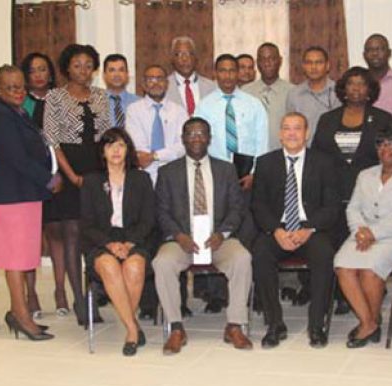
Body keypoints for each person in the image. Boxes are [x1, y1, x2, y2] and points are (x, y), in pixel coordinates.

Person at [153, 117, 254, 355]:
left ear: (209, 139)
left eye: (201, 134)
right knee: (162, 262)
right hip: (182, 240)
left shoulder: (226, 169)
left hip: (219, 238)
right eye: (191, 134)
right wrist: (178, 236)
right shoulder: (168, 172)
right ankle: (176, 327)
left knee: (242, 258)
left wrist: (222, 233)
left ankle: (234, 325)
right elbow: (161, 211)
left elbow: (236, 208)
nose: (196, 138)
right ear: (182, 139)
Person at [252, 112, 342, 349]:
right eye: (287, 128)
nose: (292, 133)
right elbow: (258, 205)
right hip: (277, 229)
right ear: (280, 134)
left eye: (297, 128)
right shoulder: (265, 162)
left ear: (307, 133)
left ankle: (316, 325)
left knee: (324, 255)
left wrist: (308, 228)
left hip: (311, 228)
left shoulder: (324, 162)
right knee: (260, 254)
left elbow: (332, 206)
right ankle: (274, 324)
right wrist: (276, 231)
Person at [0, 65, 60, 341]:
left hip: (24, 195)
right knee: (15, 261)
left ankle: (20, 312)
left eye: (20, 86)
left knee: (25, 258)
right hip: (9, 197)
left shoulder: (19, 112)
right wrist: (48, 179)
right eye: (10, 87)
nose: (18, 92)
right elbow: (17, 158)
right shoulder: (1, 117)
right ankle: (21, 316)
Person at [334, 128, 392, 348]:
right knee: (342, 266)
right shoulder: (366, 174)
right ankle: (369, 322)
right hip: (362, 234)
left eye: (391, 144)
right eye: (381, 144)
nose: (386, 149)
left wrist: (374, 233)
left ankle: (368, 324)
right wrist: (360, 231)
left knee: (370, 269)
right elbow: (353, 208)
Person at [43, 43, 112, 325]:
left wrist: (106, 174)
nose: (83, 70)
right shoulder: (55, 97)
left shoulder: (101, 96)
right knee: (72, 233)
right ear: (67, 67)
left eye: (88, 65)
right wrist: (71, 176)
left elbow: (108, 136)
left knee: (94, 234)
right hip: (69, 168)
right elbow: (52, 140)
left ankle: (94, 292)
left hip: (97, 169)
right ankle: (79, 300)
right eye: (77, 65)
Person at [194, 53, 267, 312]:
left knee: (248, 233)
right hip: (215, 178)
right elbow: (198, 141)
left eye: (231, 70)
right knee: (217, 233)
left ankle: (252, 293)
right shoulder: (205, 105)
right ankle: (216, 295)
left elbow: (262, 141)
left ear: (239, 74)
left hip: (247, 177)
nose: (227, 75)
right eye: (221, 71)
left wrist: (255, 173)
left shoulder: (253, 104)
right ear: (215, 73)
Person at [80, 128, 156, 356]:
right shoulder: (91, 181)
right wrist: (110, 245)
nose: (116, 150)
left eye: (121, 145)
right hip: (100, 241)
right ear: (102, 151)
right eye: (110, 145)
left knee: (134, 265)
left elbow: (148, 219)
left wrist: (130, 242)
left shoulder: (141, 178)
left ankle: (129, 327)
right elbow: (87, 223)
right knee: (110, 265)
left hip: (134, 238)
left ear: (128, 150)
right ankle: (133, 328)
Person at [19, 52, 68, 319]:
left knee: (57, 233)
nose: (39, 75)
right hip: (29, 179)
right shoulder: (20, 102)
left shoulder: (60, 98)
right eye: (33, 71)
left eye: (43, 69)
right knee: (31, 239)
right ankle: (31, 294)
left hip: (57, 177)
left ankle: (61, 291)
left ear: (50, 73)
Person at [312, 66, 392, 204]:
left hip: (371, 194)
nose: (356, 88)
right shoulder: (327, 119)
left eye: (362, 83)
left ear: (370, 89)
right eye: (351, 83)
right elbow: (317, 156)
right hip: (332, 195)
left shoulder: (383, 119)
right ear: (344, 88)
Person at [125, 64, 188, 185]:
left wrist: (155, 156)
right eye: (150, 79)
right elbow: (137, 147)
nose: (156, 83)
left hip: (174, 175)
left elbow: (182, 146)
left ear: (167, 83)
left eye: (160, 79)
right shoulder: (133, 110)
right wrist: (165, 154)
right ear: (143, 84)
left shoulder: (179, 111)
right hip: (143, 174)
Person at [243, 43, 295, 152]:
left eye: (272, 59)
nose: (267, 63)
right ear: (257, 63)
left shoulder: (293, 92)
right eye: (263, 59)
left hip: (282, 156)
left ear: (280, 61)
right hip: (252, 156)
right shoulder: (245, 92)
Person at [286, 46, 342, 142]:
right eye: (309, 63)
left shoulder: (339, 92)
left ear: (327, 65)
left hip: (332, 152)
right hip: (304, 151)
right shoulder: (294, 94)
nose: (313, 67)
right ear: (303, 66)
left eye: (319, 62)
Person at [166, 36, 216, 116]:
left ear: (196, 58)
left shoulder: (212, 87)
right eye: (179, 54)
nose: (184, 58)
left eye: (189, 53)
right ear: (171, 59)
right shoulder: (163, 87)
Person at [363, 34, 392, 120]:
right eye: (369, 50)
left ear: (389, 53)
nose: (374, 53)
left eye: (380, 49)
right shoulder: (357, 82)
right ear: (364, 55)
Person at [103, 54, 141, 128]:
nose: (117, 74)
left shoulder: (139, 103)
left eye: (121, 70)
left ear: (127, 74)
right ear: (104, 75)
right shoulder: (95, 104)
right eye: (112, 70)